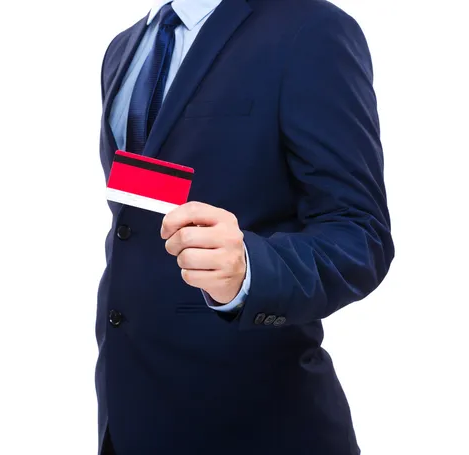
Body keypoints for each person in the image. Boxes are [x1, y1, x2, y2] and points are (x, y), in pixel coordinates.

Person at [95, 0, 394, 453]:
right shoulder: (124, 48)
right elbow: (137, 219)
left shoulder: (311, 30)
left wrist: (251, 270)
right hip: (128, 414)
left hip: (255, 423)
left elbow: (359, 233)